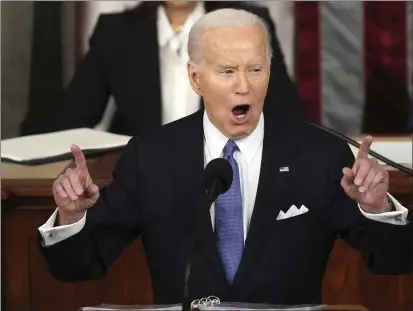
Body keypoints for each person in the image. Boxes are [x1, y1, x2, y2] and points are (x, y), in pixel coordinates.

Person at [38, 9, 412, 306]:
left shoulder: (321, 154)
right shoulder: (150, 157)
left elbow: (393, 261)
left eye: (255, 69)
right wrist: (71, 215)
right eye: (227, 71)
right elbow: (79, 265)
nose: (243, 85)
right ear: (196, 78)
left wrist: (377, 208)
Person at [21, 1, 303, 137]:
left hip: (230, 183)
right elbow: (70, 118)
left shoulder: (246, 24)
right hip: (145, 191)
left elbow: (289, 119)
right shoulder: (117, 32)